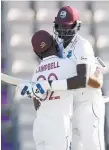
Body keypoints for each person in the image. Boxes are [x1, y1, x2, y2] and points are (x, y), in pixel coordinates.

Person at [30, 28, 105, 150]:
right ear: (55, 43)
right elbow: (85, 80)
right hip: (59, 127)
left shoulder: (36, 73)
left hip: (40, 127)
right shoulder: (67, 65)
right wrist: (98, 73)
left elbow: (36, 103)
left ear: (36, 52)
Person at [52, 5, 105, 150]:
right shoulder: (59, 46)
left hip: (88, 104)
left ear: (77, 26)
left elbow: (83, 80)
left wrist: (53, 85)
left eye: (66, 27)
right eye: (59, 26)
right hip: (72, 105)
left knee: (92, 145)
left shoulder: (83, 45)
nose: (62, 30)